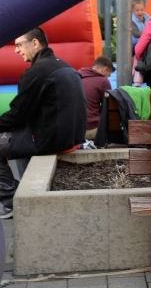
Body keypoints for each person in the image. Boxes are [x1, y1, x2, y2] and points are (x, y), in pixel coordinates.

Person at [0, 28, 87, 219]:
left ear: (35, 43)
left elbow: (17, 115)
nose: (16, 50)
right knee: (17, 140)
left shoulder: (36, 72)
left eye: (19, 45)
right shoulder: (64, 66)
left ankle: (12, 201)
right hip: (72, 136)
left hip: (51, 141)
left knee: (10, 140)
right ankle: (25, 195)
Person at [79, 56, 114, 141]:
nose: (108, 77)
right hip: (91, 129)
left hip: (74, 129)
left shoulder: (77, 76)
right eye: (108, 75)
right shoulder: (103, 81)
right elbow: (108, 106)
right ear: (105, 70)